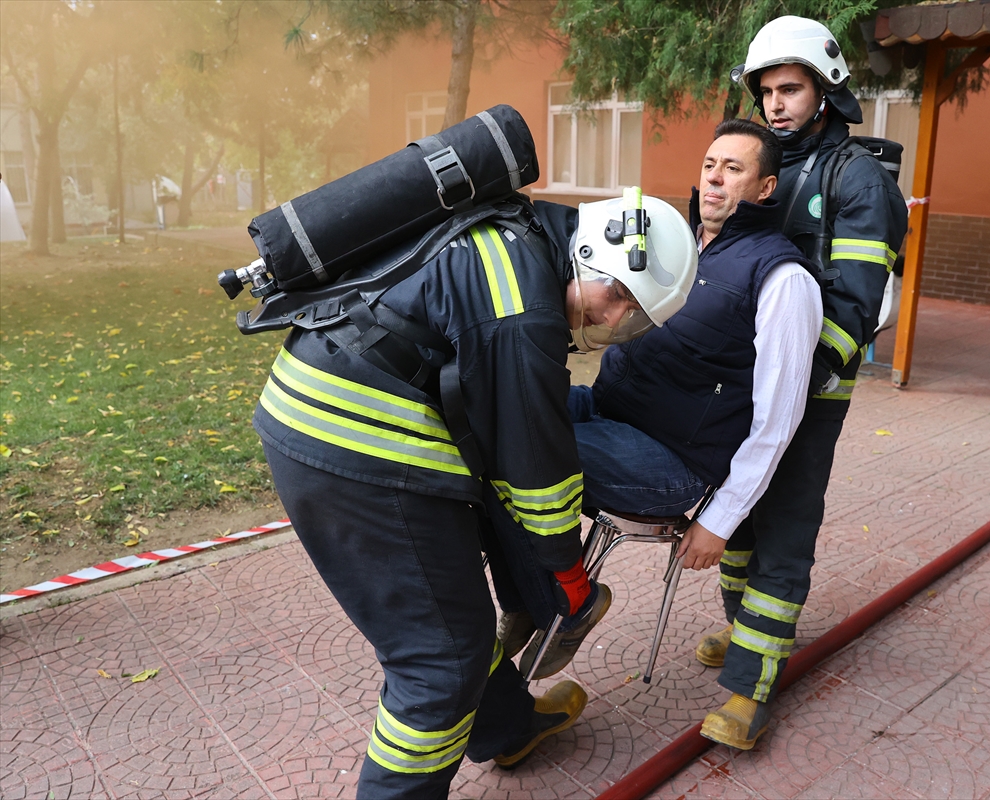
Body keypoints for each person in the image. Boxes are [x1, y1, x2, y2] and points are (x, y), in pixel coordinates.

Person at [253, 190, 697, 798]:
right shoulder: (524, 311)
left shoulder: (518, 236)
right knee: (439, 664)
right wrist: (568, 573)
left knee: (454, 613)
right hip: (359, 450)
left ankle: (507, 729)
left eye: (633, 312)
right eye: (616, 295)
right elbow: (536, 467)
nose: (615, 319)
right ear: (589, 252)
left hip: (325, 416)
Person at [491, 120, 825, 703]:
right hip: (609, 414)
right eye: (710, 166)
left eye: (735, 169)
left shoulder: (783, 277)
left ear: (766, 188)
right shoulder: (677, 248)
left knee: (517, 437)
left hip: (672, 465)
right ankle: (533, 596)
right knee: (493, 407)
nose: (716, 180)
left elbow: (780, 417)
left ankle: (567, 602)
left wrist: (719, 519)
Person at [685, 16, 909, 750]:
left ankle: (749, 689)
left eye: (791, 87)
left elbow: (853, 302)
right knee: (737, 512)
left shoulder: (858, 179)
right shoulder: (765, 163)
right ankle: (747, 635)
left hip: (813, 386)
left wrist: (796, 384)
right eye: (767, 90)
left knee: (783, 523)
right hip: (741, 379)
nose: (776, 103)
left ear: (825, 88)